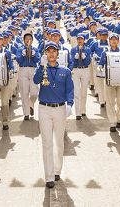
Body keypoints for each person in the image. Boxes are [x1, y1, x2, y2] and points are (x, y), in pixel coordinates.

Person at [33, 41, 74, 189]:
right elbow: (36, 80)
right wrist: (40, 66)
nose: (51, 53)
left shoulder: (65, 71)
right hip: (44, 108)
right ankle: (49, 176)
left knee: (59, 142)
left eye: (54, 51)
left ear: (57, 53)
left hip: (60, 109)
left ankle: (57, 170)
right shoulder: (42, 68)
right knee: (47, 143)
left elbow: (70, 89)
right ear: (45, 54)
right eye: (48, 51)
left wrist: (70, 104)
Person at [99, 33, 120, 132]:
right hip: (109, 80)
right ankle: (112, 123)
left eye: (115, 39)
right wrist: (99, 68)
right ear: (109, 41)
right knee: (110, 102)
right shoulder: (105, 52)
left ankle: (118, 119)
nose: (114, 41)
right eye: (112, 39)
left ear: (118, 41)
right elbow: (101, 64)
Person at [15, 32, 41, 120]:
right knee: (24, 92)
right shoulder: (20, 49)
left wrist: (34, 55)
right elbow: (18, 60)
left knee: (34, 92)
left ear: (32, 40)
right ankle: (26, 113)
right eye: (26, 39)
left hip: (33, 69)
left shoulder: (35, 49)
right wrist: (22, 55)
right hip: (23, 69)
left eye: (30, 38)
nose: (28, 40)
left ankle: (31, 103)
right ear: (24, 40)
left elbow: (38, 59)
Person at [69, 33, 92, 120]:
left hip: (85, 70)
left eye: (81, 39)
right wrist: (74, 59)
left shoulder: (88, 50)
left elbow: (88, 62)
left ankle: (83, 110)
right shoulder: (73, 49)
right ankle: (77, 112)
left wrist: (85, 58)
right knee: (77, 92)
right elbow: (71, 62)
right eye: (78, 39)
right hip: (76, 70)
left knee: (83, 92)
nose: (80, 40)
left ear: (84, 40)